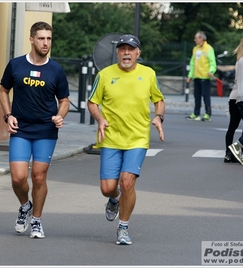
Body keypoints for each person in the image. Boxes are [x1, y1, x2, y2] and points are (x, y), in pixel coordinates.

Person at [87, 34, 165, 245]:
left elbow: (158, 100)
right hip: (111, 138)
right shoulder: (104, 75)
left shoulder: (148, 74)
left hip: (137, 139)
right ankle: (114, 199)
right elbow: (92, 102)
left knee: (127, 182)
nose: (126, 53)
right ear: (117, 52)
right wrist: (100, 119)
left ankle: (123, 228)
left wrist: (158, 117)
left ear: (138, 53)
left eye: (131, 49)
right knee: (107, 188)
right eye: (122, 49)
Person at [0, 21, 70, 238]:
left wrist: (60, 115)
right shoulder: (16, 65)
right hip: (21, 128)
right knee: (18, 178)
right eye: (41, 38)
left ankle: (37, 220)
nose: (46, 43)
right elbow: (3, 91)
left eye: (49, 38)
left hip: (46, 131)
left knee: (38, 177)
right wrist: (8, 115)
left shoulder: (56, 70)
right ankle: (25, 206)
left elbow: (64, 100)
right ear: (31, 40)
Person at [186, 31, 217, 122]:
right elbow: (192, 63)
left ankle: (208, 113)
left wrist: (211, 71)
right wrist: (190, 75)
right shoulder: (195, 49)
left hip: (205, 76)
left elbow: (212, 62)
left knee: (206, 96)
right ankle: (196, 113)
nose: (195, 40)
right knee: (197, 96)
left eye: (196, 38)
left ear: (201, 39)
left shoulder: (209, 49)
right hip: (197, 76)